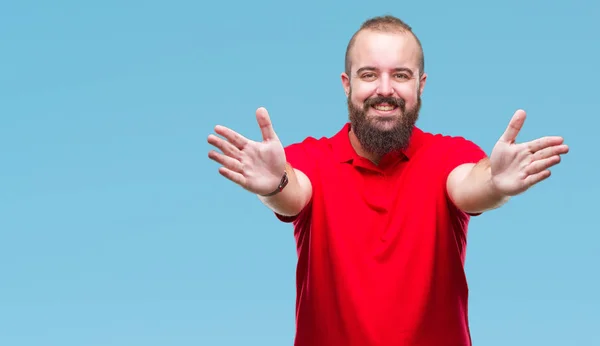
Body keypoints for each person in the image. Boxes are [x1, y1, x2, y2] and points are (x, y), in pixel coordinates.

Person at [206, 15, 569, 346]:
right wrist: (274, 184)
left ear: (420, 85)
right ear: (346, 85)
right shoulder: (309, 160)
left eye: (400, 75)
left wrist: (496, 184)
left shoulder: (449, 155)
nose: (385, 89)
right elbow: (293, 192)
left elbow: (471, 186)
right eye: (369, 75)